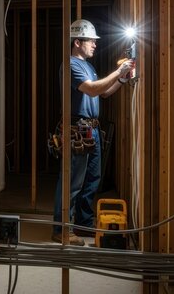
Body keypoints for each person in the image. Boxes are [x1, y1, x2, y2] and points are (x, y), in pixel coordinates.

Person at [52, 19, 134, 246]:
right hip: (78, 129)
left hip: (92, 130)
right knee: (72, 181)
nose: (95, 45)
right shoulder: (71, 65)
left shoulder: (89, 67)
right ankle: (62, 228)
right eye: (91, 41)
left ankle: (84, 224)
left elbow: (104, 93)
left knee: (92, 180)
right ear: (77, 42)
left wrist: (122, 78)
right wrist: (119, 70)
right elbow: (91, 89)